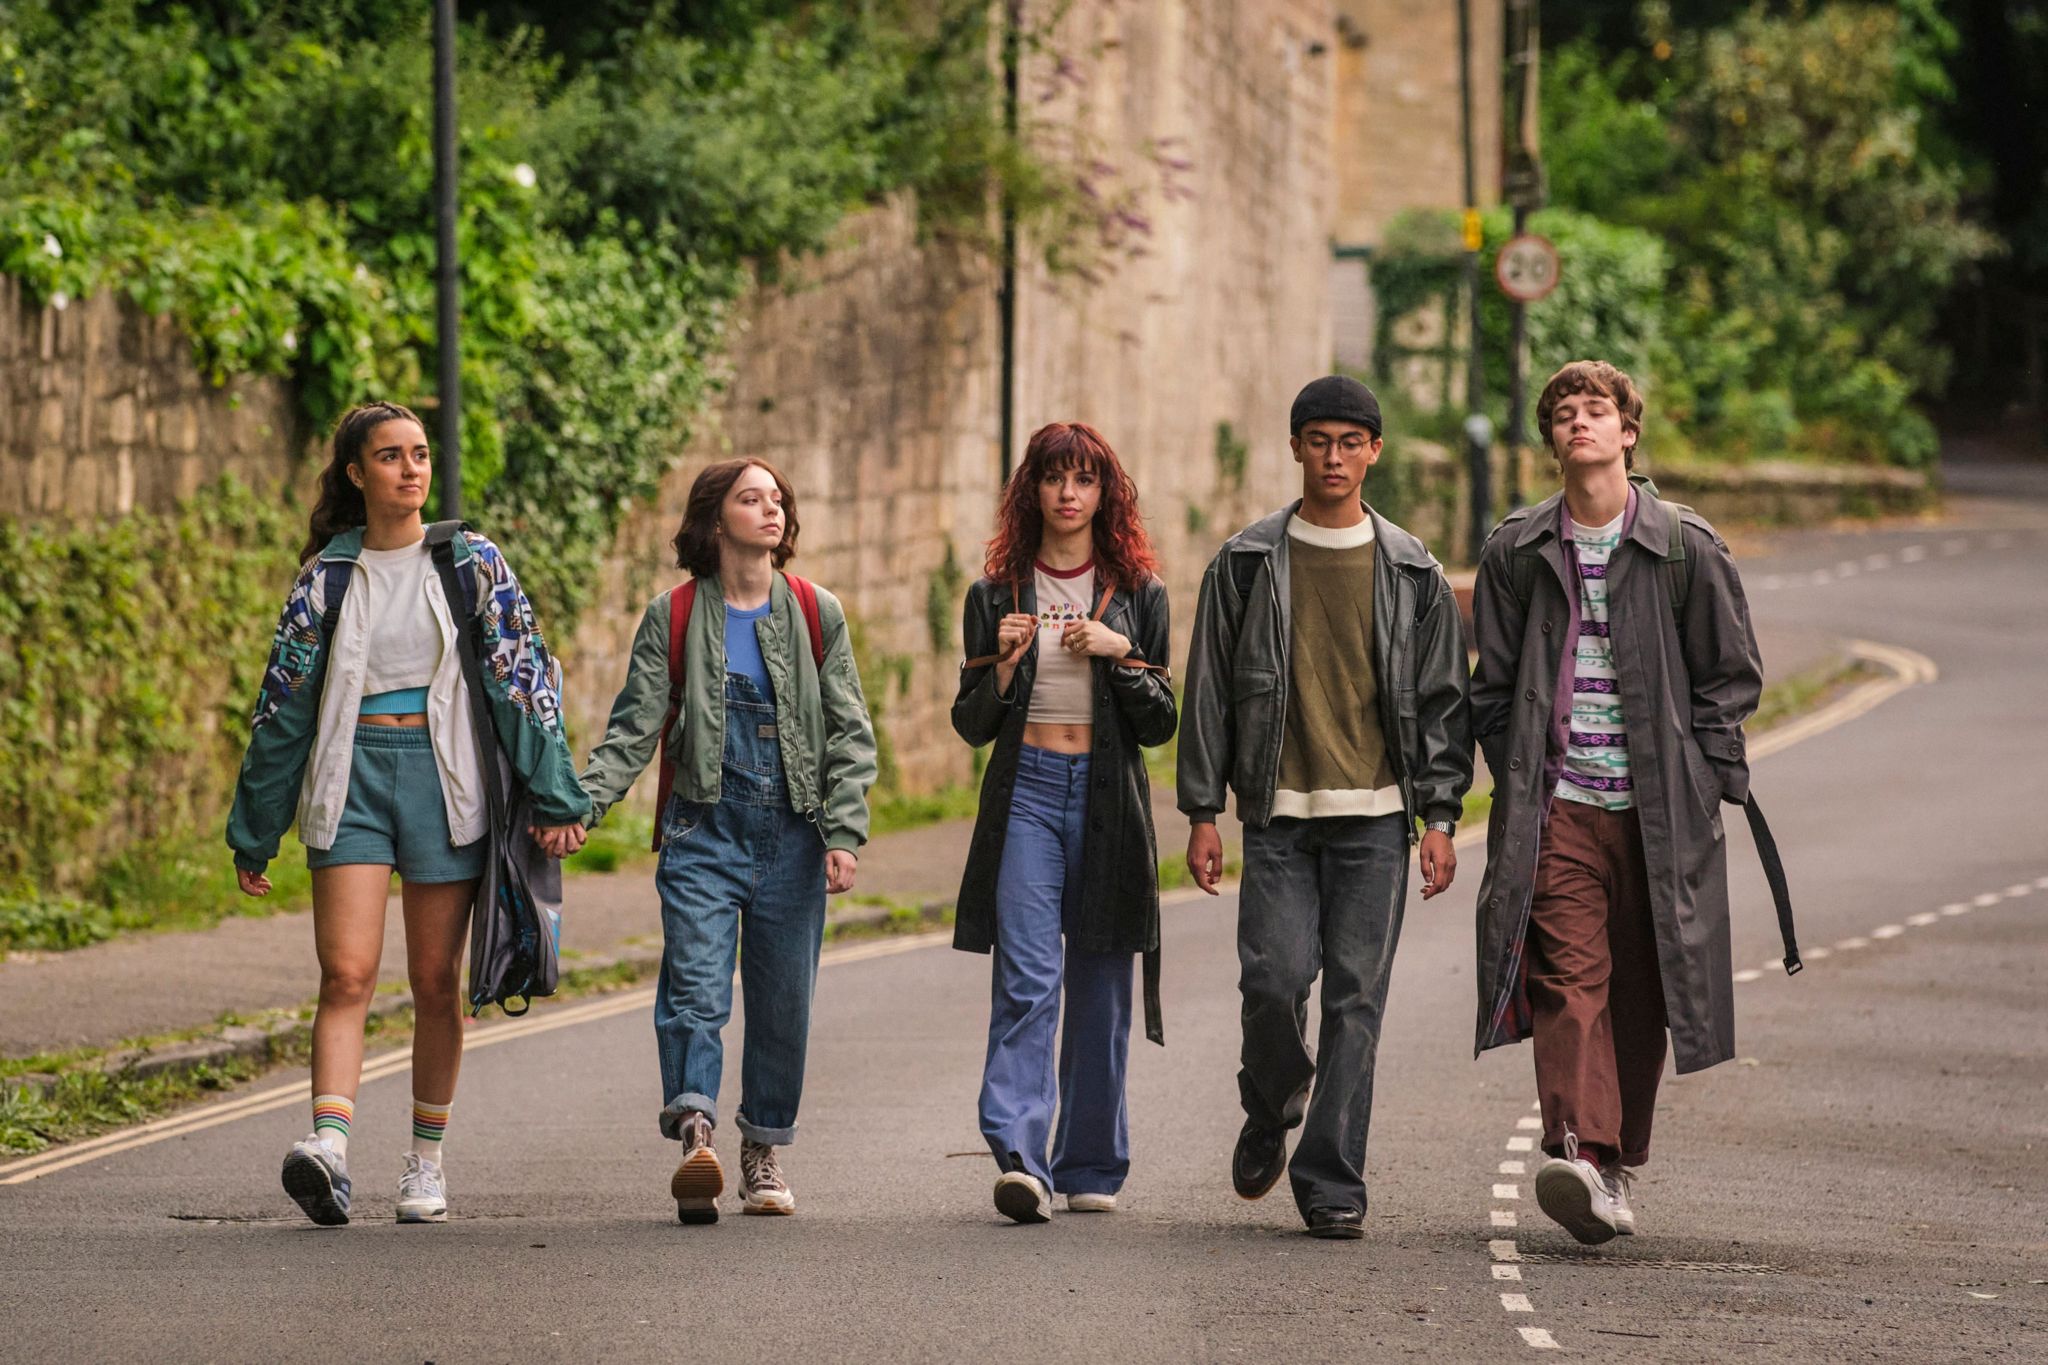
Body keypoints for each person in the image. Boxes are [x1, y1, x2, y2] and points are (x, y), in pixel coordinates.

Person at [226, 401, 590, 1227]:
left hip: (445, 779)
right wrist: (256, 828)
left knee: (434, 982)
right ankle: (329, 1148)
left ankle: (425, 1161)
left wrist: (559, 795)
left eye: (419, 453)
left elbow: (521, 681)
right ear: (357, 474)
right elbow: (282, 709)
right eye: (389, 456)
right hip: (349, 779)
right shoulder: (326, 576)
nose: (410, 468)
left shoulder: (472, 562)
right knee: (346, 973)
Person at [1468, 360, 1769, 1245]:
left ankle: (1618, 1156)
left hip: (1659, 812)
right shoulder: (1517, 550)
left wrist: (1704, 777)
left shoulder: (1685, 546)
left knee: (1643, 990)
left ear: (1628, 432)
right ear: (1551, 439)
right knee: (1569, 979)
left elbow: (1730, 676)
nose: (1579, 424)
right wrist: (1518, 768)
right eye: (1563, 414)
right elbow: (1491, 688)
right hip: (1557, 804)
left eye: (1596, 411)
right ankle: (1578, 1153)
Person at [1178, 375, 1473, 1239]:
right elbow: (1207, 696)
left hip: (1378, 818)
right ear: (1297, 447)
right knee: (1271, 982)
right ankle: (1271, 1101)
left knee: (1355, 1000)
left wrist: (1442, 818)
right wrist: (1203, 809)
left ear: (1374, 451)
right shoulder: (1244, 562)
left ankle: (1332, 1177)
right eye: (1320, 440)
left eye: (1352, 441)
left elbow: (1443, 701)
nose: (1335, 456)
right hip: (1277, 816)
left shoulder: (1414, 570)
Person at [579, 457, 877, 1225]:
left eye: (777, 498)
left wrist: (844, 830)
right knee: (695, 989)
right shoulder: (673, 615)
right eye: (752, 499)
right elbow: (632, 732)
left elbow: (849, 730)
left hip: (795, 834)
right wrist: (580, 806)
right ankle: (697, 1136)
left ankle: (762, 1150)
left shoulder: (817, 612)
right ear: (716, 522)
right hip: (702, 828)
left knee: (783, 1005)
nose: (771, 510)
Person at [951, 422, 1177, 1225]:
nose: (1069, 493)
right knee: (1026, 978)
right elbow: (971, 722)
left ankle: (1089, 1161)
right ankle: (1020, 1157)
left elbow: (1160, 724)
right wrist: (1005, 665)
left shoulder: (1140, 593)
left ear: (1103, 493)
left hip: (1109, 802)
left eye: (1084, 479)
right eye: (1055, 478)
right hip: (1030, 797)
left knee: (1101, 986)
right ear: (1033, 490)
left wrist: (1123, 653)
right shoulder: (995, 594)